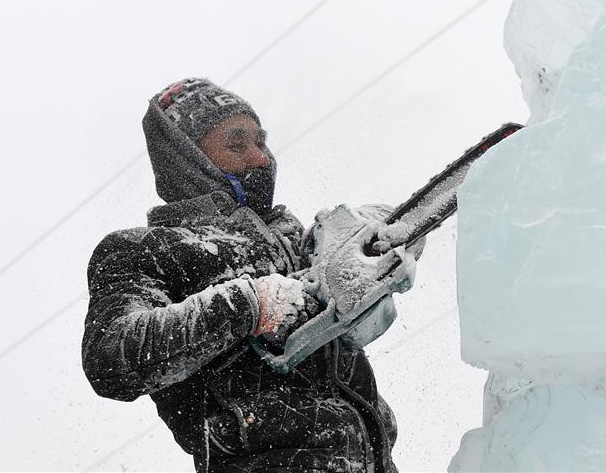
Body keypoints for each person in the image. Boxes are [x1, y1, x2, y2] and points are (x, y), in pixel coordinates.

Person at [82, 78, 417, 473]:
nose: (260, 158)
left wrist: (375, 247)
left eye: (261, 142)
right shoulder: (150, 251)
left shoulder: (297, 241)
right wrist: (248, 304)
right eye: (237, 145)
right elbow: (111, 358)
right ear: (187, 158)